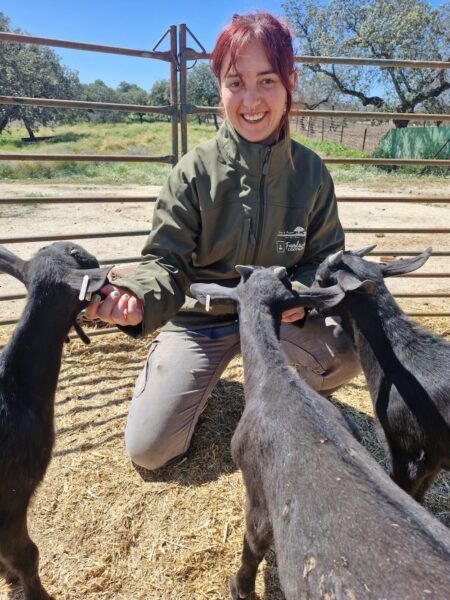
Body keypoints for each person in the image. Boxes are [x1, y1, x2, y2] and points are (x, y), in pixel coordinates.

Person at [86, 12, 360, 470]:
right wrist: (138, 295)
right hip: (201, 320)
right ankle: (178, 376)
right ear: (219, 88)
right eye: (236, 82)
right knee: (150, 451)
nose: (251, 99)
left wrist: (303, 296)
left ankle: (283, 390)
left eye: (267, 80)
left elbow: (325, 256)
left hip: (275, 319)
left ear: (290, 82)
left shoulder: (311, 173)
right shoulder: (192, 172)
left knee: (344, 359)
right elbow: (165, 263)